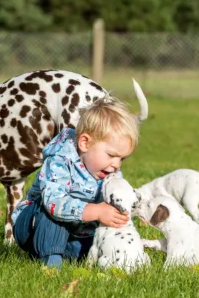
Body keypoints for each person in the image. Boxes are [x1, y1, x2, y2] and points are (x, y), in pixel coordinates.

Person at [11, 96, 140, 268]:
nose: (116, 165)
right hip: (32, 227)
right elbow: (53, 202)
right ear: (85, 143)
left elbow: (119, 199)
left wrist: (122, 213)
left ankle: (83, 256)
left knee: (97, 239)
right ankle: (51, 263)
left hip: (77, 232)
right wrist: (96, 211)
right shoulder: (60, 161)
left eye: (122, 158)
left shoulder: (110, 173)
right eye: (111, 155)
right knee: (52, 213)